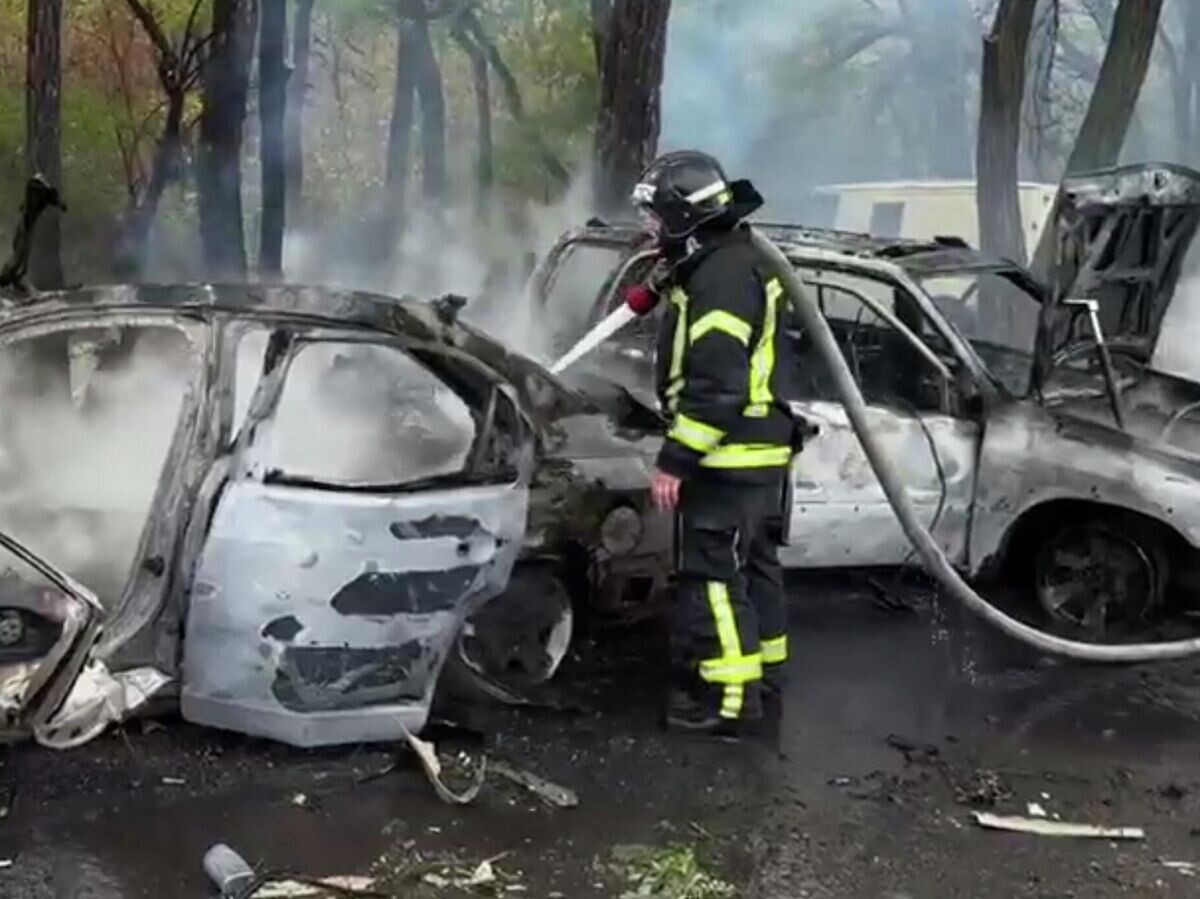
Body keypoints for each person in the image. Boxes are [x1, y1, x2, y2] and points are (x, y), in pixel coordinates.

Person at [626, 151, 801, 736]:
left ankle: (728, 703)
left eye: (655, 216)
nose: (649, 228)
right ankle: (766, 676)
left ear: (682, 215)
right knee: (754, 568)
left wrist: (677, 459)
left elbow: (717, 382)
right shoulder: (728, 260)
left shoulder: (722, 280)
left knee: (713, 577)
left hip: (727, 456)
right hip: (758, 454)